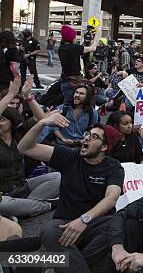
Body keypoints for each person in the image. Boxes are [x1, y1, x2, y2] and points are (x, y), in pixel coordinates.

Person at [17, 115, 125, 273]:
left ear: (104, 147)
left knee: (119, 226)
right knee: (49, 231)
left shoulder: (113, 167)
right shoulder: (69, 156)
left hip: (96, 223)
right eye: (87, 134)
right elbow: (24, 148)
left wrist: (84, 219)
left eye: (94, 137)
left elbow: (112, 197)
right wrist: (41, 123)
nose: (86, 138)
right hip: (64, 222)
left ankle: (62, 264)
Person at [0, 79, 60, 218]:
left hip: (23, 186)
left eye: (2, 119)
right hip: (3, 195)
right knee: (4, 204)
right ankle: (46, 205)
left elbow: (41, 120)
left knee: (57, 177)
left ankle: (22, 207)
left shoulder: (19, 132)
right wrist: (10, 94)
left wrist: (28, 97)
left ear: (11, 121)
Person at [58, 25, 99, 104]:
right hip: (73, 81)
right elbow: (93, 48)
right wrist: (96, 36)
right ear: (71, 38)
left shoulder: (61, 48)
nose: (75, 39)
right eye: (75, 37)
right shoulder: (73, 48)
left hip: (65, 80)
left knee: (67, 104)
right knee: (75, 104)